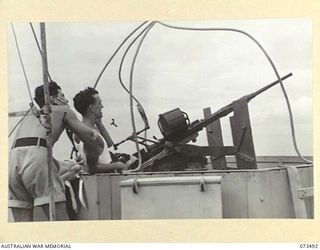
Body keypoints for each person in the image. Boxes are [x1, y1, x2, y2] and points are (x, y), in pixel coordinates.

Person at [9, 81, 102, 222]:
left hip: (12, 160)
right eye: (62, 95)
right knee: (60, 220)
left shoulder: (29, 116)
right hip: (37, 157)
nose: (66, 100)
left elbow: (31, 149)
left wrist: (62, 165)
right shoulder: (62, 110)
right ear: (52, 98)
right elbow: (92, 139)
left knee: (22, 224)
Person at [73, 87, 131, 173]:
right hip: (105, 179)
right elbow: (92, 168)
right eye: (99, 103)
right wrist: (117, 165)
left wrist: (100, 124)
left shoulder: (78, 131)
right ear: (91, 108)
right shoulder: (92, 136)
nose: (102, 106)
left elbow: (107, 145)